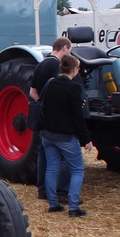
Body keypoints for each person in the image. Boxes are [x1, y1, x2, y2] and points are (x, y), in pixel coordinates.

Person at [40, 54, 93, 217]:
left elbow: (44, 107)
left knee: (51, 169)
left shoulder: (50, 84)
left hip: (47, 134)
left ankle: (53, 204)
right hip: (65, 136)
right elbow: (77, 117)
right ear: (75, 69)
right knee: (77, 169)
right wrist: (86, 139)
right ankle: (74, 207)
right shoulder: (73, 88)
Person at [30, 37, 72, 201]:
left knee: (43, 154)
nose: (70, 53)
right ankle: (61, 191)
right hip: (54, 117)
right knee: (62, 154)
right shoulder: (56, 65)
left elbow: (32, 92)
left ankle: (42, 190)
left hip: (42, 116)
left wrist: (41, 105)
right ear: (65, 48)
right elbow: (58, 90)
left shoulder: (41, 63)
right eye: (69, 50)